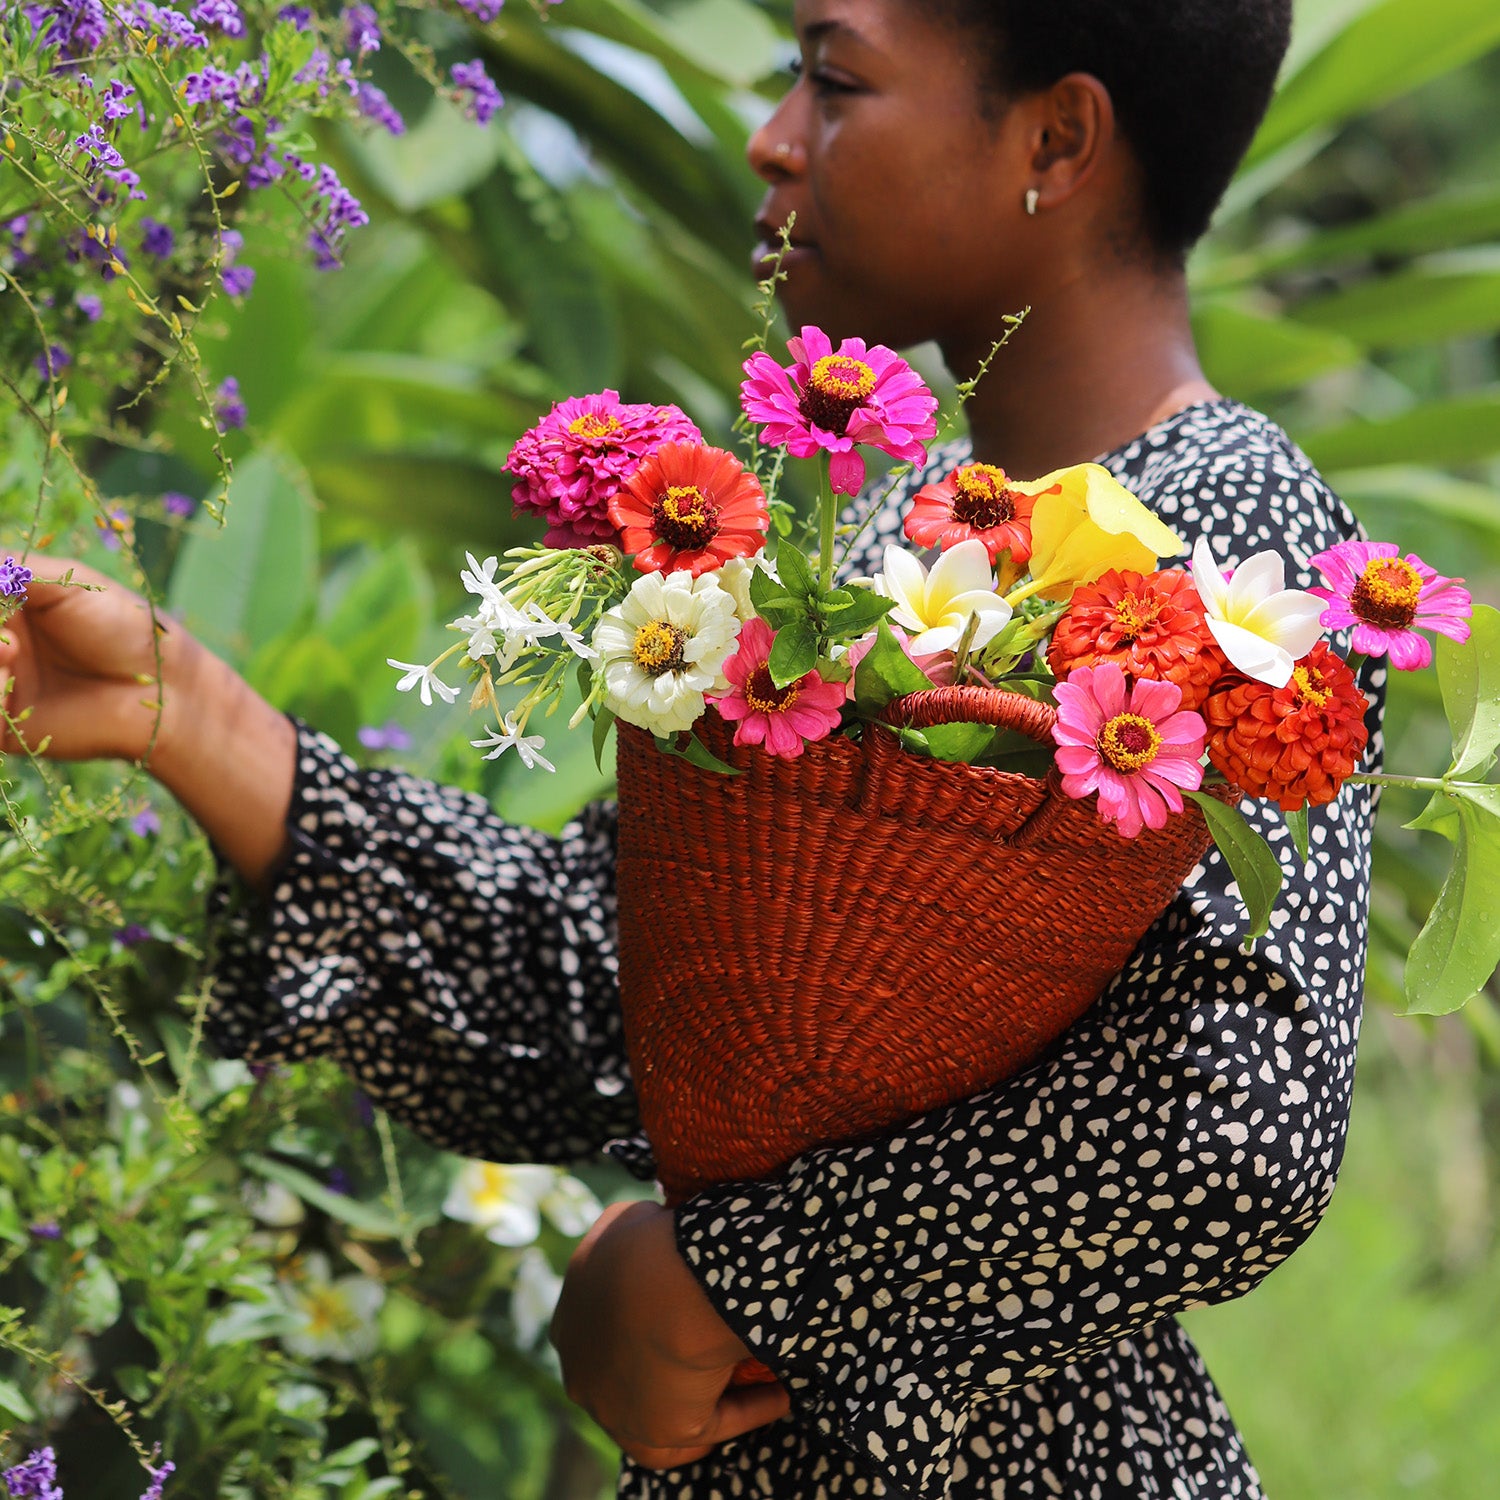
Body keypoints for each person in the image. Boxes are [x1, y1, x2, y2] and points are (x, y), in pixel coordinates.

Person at [0, 0, 1383, 1494]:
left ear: (1055, 138)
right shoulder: (888, 534)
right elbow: (619, 981)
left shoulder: (1232, 545)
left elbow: (1228, 1128)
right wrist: (189, 717)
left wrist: (729, 1270)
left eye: (834, 78)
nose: (773, 135)